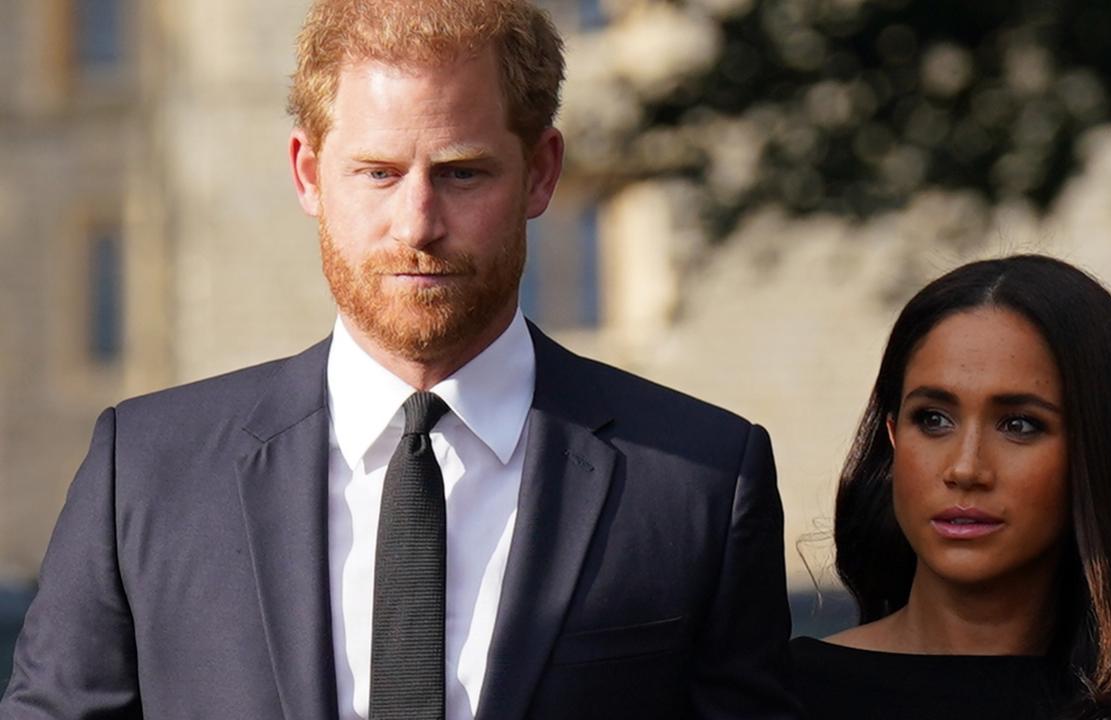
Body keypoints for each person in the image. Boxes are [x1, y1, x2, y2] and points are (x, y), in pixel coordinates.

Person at [0, 1, 798, 718]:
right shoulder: (144, 471)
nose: (417, 224)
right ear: (309, 174)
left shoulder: (700, 482)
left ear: (541, 172)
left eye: (462, 173)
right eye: (378, 173)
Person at [791, 255, 1111, 719]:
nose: (965, 468)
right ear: (893, 436)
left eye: (1020, 425)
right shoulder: (778, 698)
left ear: (1100, 452)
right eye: (934, 419)